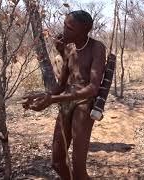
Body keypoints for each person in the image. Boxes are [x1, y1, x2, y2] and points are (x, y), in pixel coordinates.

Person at [22, 10, 106, 180]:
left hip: (84, 104)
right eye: (64, 26)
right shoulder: (69, 50)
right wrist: (40, 96)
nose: (64, 31)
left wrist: (53, 100)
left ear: (85, 29)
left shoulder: (96, 47)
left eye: (70, 28)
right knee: (57, 162)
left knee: (78, 168)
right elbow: (60, 85)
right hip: (66, 101)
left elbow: (92, 88)